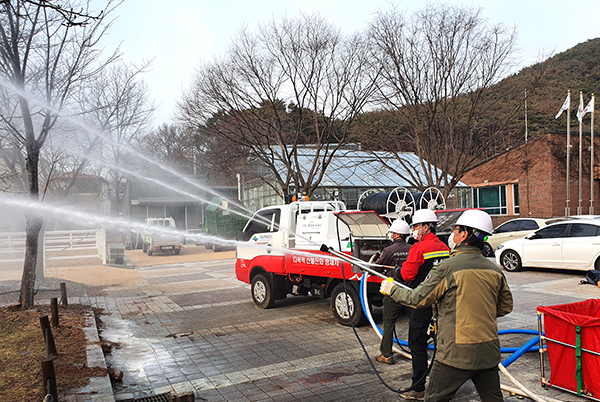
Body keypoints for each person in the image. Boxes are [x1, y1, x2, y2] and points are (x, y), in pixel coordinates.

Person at [380, 209, 514, 402]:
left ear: (465, 234)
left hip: (455, 352)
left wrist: (392, 289)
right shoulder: (493, 269)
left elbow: (418, 299)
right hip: (488, 351)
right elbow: (504, 307)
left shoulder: (448, 267)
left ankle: (417, 388)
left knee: (434, 397)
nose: (453, 234)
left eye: (456, 230)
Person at [389, 209, 450, 401]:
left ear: (425, 227)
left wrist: (397, 271)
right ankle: (443, 385)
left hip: (421, 303)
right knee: (442, 344)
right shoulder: (444, 247)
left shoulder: (418, 248)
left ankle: (418, 388)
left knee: (417, 344)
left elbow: (408, 275)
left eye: (415, 226)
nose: (413, 230)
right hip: (441, 303)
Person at [373, 219, 412, 366]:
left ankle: (387, 355)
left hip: (393, 291)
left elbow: (375, 269)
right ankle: (416, 350)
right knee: (414, 322)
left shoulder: (388, 250)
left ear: (396, 234)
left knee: (389, 323)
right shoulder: (413, 248)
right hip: (410, 290)